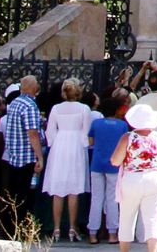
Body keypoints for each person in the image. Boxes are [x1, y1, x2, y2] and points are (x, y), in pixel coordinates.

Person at [112, 102, 157, 252]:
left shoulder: (128, 138)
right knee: (153, 218)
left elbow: (115, 160)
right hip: (153, 177)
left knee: (127, 217)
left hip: (131, 178)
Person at [44, 78, 93, 242]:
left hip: (60, 145)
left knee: (57, 190)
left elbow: (49, 132)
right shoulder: (84, 108)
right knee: (74, 189)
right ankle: (72, 227)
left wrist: (53, 143)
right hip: (76, 146)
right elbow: (87, 132)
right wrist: (85, 144)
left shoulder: (56, 108)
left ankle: (57, 228)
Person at [0, 74, 46, 223]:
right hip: (27, 157)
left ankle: (11, 225)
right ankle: (22, 226)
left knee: (14, 194)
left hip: (14, 155)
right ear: (33, 87)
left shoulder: (15, 103)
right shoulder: (29, 105)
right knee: (26, 196)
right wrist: (40, 157)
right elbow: (32, 133)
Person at [88, 93, 130, 245]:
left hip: (97, 164)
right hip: (115, 165)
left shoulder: (96, 123)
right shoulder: (122, 125)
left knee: (96, 198)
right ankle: (113, 233)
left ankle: (92, 233)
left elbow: (91, 140)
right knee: (113, 199)